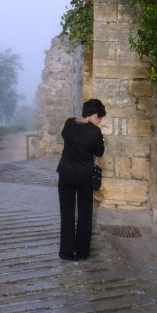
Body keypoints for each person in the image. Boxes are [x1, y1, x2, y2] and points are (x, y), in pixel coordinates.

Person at [56, 98, 106, 261]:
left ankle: (66, 252)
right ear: (95, 116)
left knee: (67, 213)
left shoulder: (69, 123)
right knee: (85, 214)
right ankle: (82, 251)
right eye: (100, 119)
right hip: (84, 177)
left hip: (66, 174)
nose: (99, 122)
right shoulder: (95, 132)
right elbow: (99, 152)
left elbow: (65, 135)